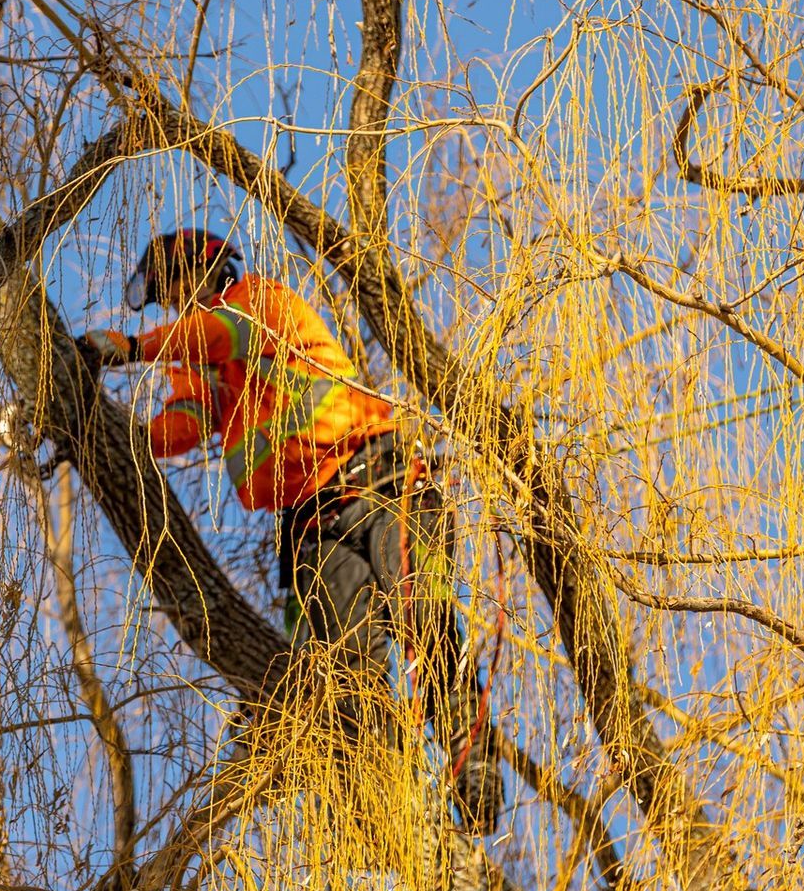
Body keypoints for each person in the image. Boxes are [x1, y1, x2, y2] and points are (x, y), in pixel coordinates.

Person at [80, 229, 503, 832]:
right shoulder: (214, 368)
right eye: (168, 304)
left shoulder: (258, 304)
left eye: (175, 295)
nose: (175, 310)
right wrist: (111, 433)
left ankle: (473, 766)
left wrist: (132, 346)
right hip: (311, 525)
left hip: (381, 483)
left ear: (201, 274)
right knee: (347, 669)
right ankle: (389, 801)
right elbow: (182, 422)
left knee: (421, 620)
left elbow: (212, 335)